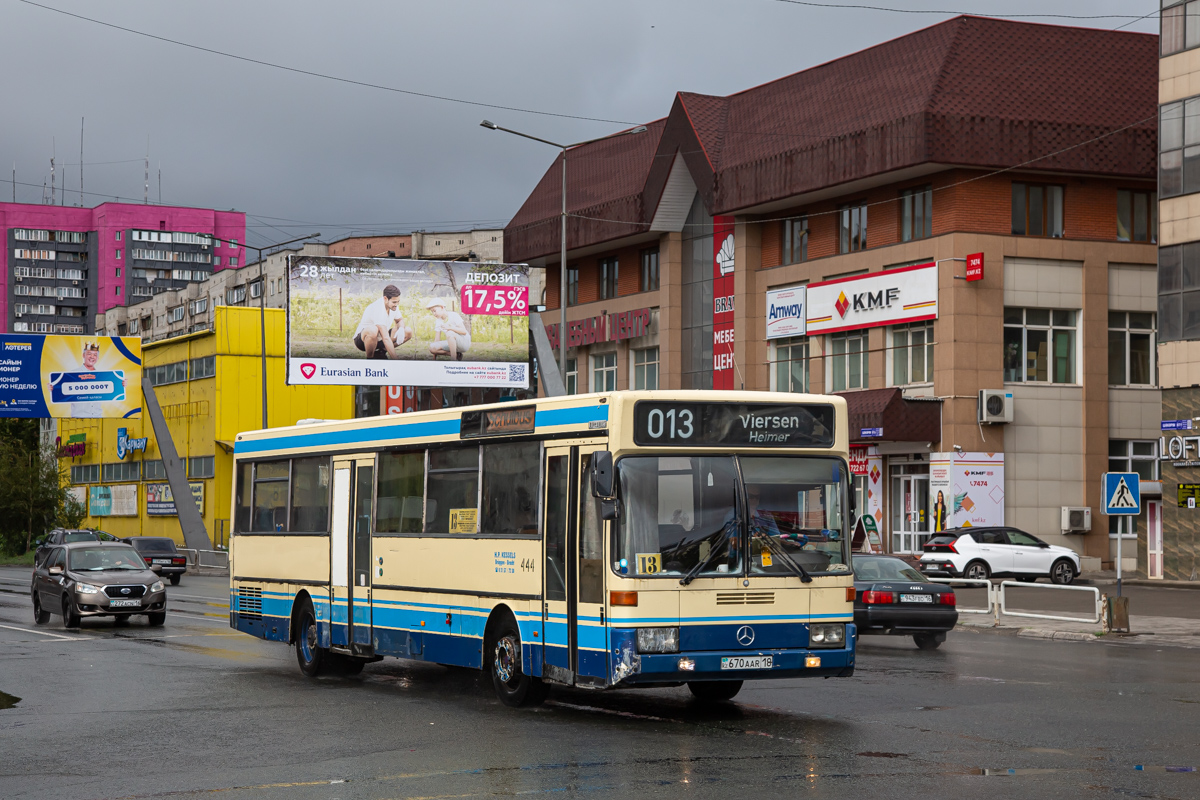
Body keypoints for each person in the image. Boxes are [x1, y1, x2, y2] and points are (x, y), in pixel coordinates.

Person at [353, 285, 412, 360]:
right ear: (385, 298)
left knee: (407, 331)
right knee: (373, 330)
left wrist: (401, 329)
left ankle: (381, 352)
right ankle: (370, 359)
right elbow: (386, 338)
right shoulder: (377, 308)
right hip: (363, 340)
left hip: (380, 339)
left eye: (398, 301)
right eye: (394, 302)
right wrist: (396, 360)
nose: (396, 304)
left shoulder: (393, 305)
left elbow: (400, 320)